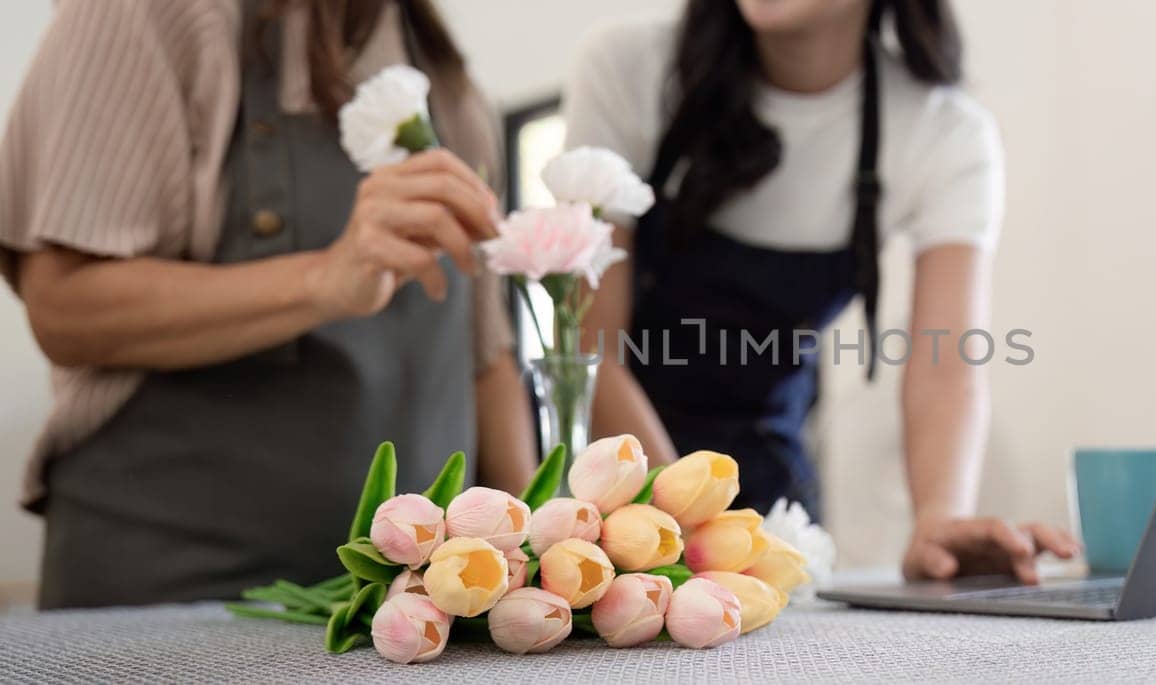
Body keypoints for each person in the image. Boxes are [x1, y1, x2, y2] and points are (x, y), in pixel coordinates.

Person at [0, 0, 534, 608]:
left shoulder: (449, 81)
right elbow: (65, 306)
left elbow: (486, 358)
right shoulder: (146, 13)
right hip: (175, 601)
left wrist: (535, 553)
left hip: (410, 608)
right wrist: (326, 278)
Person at [563, 0, 1079, 583]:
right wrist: (685, 531)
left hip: (771, 503)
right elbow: (589, 353)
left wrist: (940, 519)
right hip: (615, 493)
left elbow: (946, 360)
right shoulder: (629, 68)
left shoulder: (943, 132)